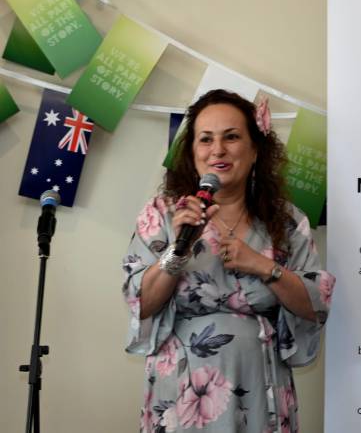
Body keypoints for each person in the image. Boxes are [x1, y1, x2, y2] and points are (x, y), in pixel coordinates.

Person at [121, 89, 334, 433]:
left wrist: (264, 266)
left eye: (231, 137)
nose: (217, 149)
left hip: (262, 384)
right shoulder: (163, 213)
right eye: (206, 139)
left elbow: (316, 304)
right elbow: (141, 303)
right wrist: (178, 250)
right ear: (192, 152)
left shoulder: (287, 221)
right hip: (183, 392)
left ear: (255, 150)